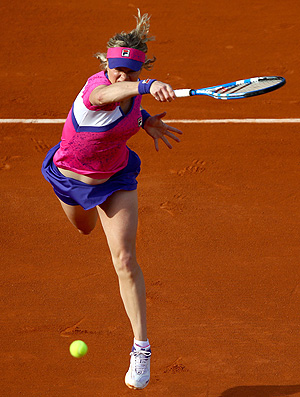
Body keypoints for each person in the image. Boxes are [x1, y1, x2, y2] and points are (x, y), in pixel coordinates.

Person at [41, 9, 182, 390]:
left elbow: (131, 106)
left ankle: (141, 348)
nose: (120, 77)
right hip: (71, 179)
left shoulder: (132, 92)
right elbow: (110, 94)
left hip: (117, 176)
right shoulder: (98, 89)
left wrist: (146, 120)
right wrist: (145, 86)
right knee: (84, 229)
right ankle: (82, 208)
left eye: (130, 74)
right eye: (115, 70)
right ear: (106, 65)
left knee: (124, 258)